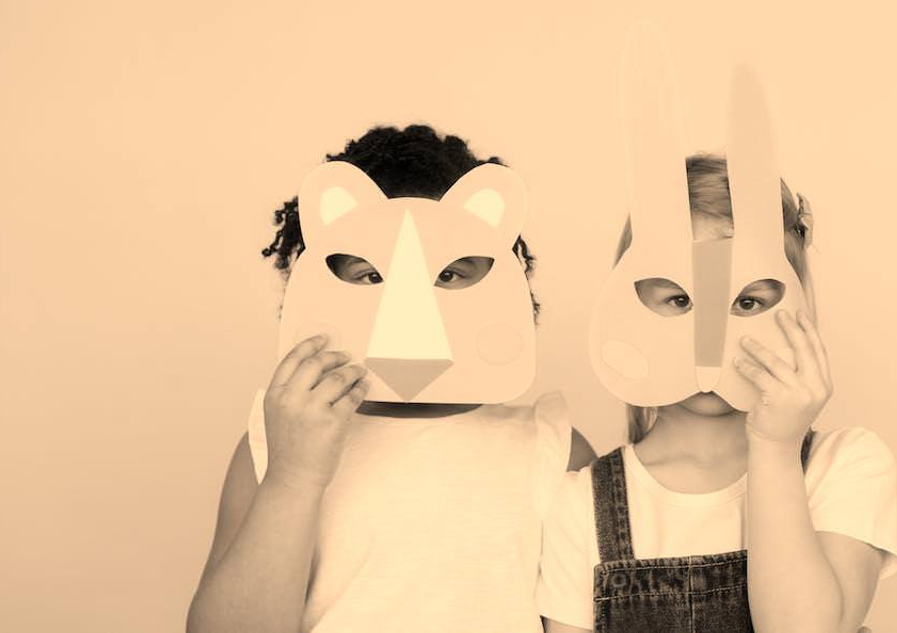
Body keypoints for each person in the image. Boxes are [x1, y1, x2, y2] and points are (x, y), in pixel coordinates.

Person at [187, 124, 596, 633]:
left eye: (449, 274)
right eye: (370, 275)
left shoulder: (552, 451)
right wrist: (294, 476)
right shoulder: (275, 443)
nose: (409, 317)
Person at [536, 154, 897, 632]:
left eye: (747, 302)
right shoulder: (578, 502)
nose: (710, 342)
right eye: (680, 300)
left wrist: (774, 445)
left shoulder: (846, 464)